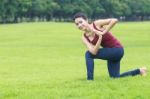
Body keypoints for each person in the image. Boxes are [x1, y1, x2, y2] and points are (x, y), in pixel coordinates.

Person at [73, 12, 147, 80]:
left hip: (117, 50)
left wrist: (104, 32)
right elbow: (94, 52)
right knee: (115, 77)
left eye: (81, 22)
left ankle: (90, 80)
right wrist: (99, 38)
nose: (79, 25)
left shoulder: (96, 24)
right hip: (111, 53)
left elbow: (114, 20)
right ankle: (140, 71)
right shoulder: (84, 37)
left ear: (86, 20)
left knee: (87, 54)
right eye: (77, 24)